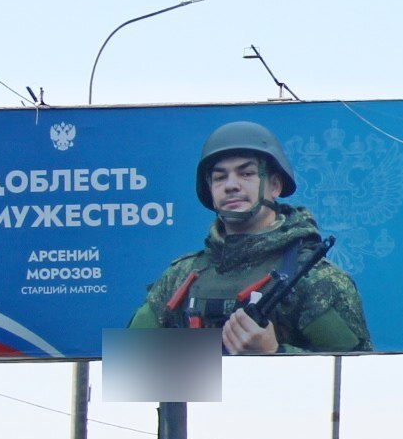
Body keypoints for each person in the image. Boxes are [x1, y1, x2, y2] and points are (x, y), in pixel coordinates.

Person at [128, 120, 371, 353]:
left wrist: (274, 353)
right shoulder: (180, 277)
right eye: (220, 177)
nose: (231, 185)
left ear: (274, 185)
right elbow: (131, 369)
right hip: (193, 386)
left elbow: (356, 374)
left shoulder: (314, 279)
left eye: (246, 173)